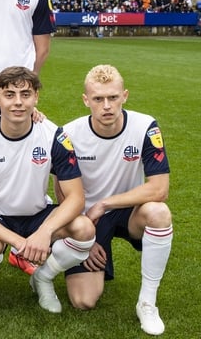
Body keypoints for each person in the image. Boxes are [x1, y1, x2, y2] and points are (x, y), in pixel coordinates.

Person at [0, 66, 95, 313]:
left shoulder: (54, 135)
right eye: (9, 95)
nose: (18, 102)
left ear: (36, 98)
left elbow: (76, 198)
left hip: (36, 213)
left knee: (84, 229)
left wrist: (45, 232)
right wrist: (21, 243)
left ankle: (43, 277)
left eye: (25, 94)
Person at [61, 65, 172, 335]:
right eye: (98, 99)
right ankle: (64, 256)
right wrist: (85, 236)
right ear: (86, 100)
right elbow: (63, 193)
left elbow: (159, 188)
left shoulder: (145, 126)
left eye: (113, 97)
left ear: (125, 95)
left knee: (159, 212)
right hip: (87, 219)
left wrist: (106, 203)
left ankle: (147, 302)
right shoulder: (69, 134)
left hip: (127, 211)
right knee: (83, 301)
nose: (107, 106)